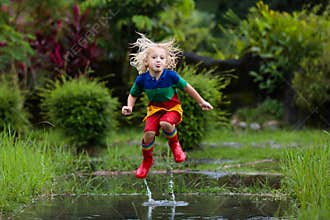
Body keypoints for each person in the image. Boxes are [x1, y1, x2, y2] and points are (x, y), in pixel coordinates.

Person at [122, 33, 213, 179]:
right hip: (154, 111)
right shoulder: (142, 80)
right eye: (154, 57)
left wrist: (201, 102)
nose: (158, 60)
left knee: (165, 123)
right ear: (146, 61)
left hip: (173, 109)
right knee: (148, 135)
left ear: (166, 62)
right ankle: (147, 161)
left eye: (161, 58)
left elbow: (188, 88)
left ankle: (176, 146)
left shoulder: (171, 76)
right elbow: (133, 94)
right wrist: (129, 107)